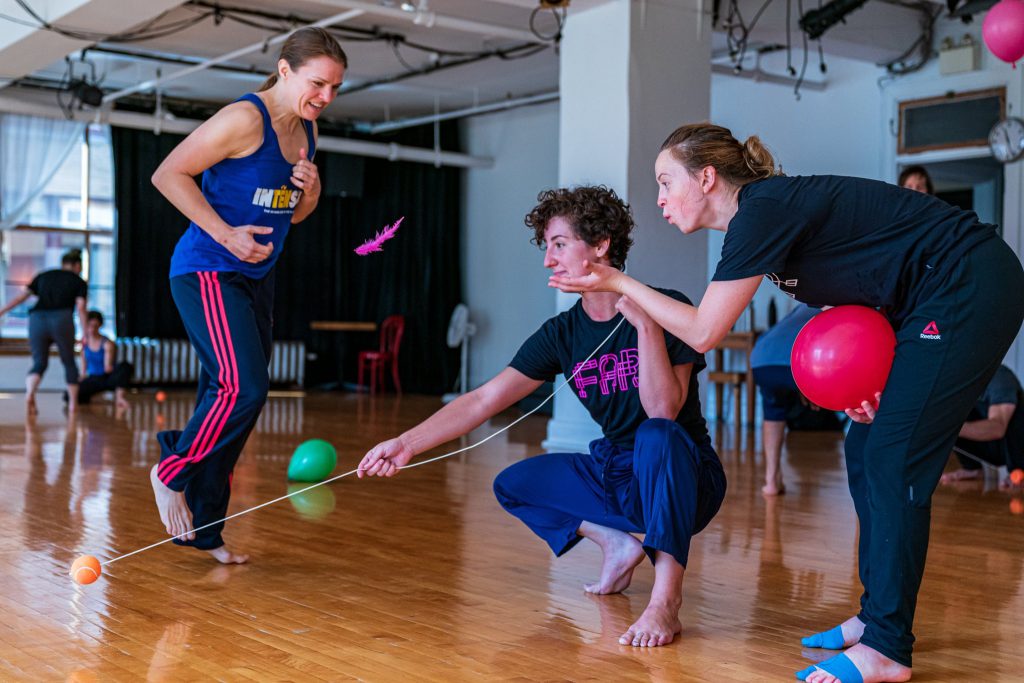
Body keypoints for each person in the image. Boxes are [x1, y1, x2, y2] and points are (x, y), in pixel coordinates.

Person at [549, 123, 1024, 682]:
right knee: (866, 442)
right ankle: (876, 620)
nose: (659, 199)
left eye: (665, 181)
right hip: (929, 297)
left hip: (970, 280)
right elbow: (872, 290)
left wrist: (619, 282)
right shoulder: (762, 225)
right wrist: (874, 378)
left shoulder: (761, 209)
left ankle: (889, 648)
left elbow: (704, 332)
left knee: (894, 457)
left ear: (706, 177)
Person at [358, 186, 726, 648]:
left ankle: (665, 602)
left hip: (687, 478)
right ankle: (616, 543)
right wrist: (406, 443)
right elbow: (483, 399)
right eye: (547, 247)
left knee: (656, 435)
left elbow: (663, 410)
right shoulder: (562, 333)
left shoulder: (666, 304)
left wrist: (647, 325)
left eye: (558, 244)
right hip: (619, 473)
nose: (548, 260)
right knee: (514, 484)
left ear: (600, 245)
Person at [148, 27, 346, 564]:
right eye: (318, 83)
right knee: (245, 387)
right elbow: (168, 174)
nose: (326, 98)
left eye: (335, 88)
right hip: (208, 268)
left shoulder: (306, 130)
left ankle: (206, 530)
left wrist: (314, 191)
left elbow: (294, 215)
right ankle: (171, 468)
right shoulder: (243, 119)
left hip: (258, 278)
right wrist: (226, 233)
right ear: (285, 70)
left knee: (234, 400)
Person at [0, 248, 87, 415]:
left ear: (63, 264)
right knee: (69, 361)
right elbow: (81, 307)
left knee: (39, 362)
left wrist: (2, 311)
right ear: (77, 266)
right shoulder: (78, 281)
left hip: (37, 319)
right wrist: (85, 334)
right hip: (62, 318)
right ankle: (73, 405)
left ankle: (30, 393)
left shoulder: (44, 275)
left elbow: (21, 298)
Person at [750, 303, 819, 495]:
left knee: (773, 411)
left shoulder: (807, 302)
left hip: (761, 359)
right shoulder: (837, 303)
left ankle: (771, 481)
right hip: (796, 362)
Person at [939, 364, 1024, 490]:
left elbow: (998, 427)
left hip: (1010, 441)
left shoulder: (999, 377)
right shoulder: (954, 385)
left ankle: (1019, 470)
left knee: (1018, 409)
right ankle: (973, 469)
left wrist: (950, 429)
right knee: (946, 417)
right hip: (990, 447)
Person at [77, 310, 132, 411]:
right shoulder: (84, 343)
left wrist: (109, 366)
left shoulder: (107, 343)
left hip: (107, 378)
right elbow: (83, 366)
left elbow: (107, 368)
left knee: (125, 366)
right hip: (93, 379)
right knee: (70, 395)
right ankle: (91, 396)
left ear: (100, 326)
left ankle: (119, 398)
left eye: (95, 326)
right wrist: (81, 379)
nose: (92, 329)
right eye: (90, 325)